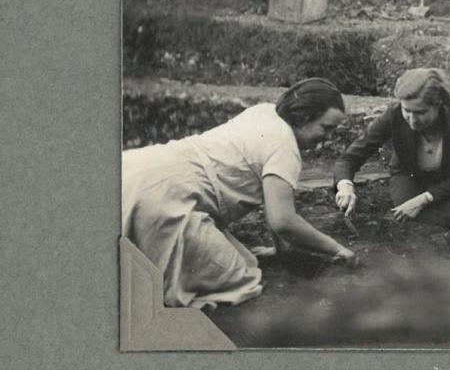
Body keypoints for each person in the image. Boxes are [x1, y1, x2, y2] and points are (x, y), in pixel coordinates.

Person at [122, 78, 358, 309]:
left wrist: (280, 250)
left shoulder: (264, 111)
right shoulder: (285, 148)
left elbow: (273, 202)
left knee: (245, 260)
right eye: (326, 128)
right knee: (241, 277)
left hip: (140, 168)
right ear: (304, 117)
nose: (327, 136)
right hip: (164, 198)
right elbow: (283, 220)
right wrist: (336, 248)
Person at [333, 68, 450, 232]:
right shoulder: (394, 114)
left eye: (420, 112)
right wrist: (345, 186)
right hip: (410, 175)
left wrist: (424, 199)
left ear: (438, 104)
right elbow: (350, 158)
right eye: (407, 111)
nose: (412, 119)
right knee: (408, 217)